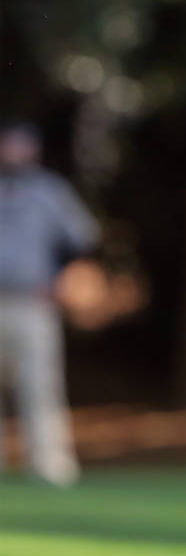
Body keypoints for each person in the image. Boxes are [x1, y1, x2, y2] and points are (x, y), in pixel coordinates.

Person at [0, 122, 99, 484]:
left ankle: (51, 467)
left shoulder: (50, 191)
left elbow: (83, 242)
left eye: (21, 146)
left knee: (40, 386)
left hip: (33, 303)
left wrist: (65, 281)